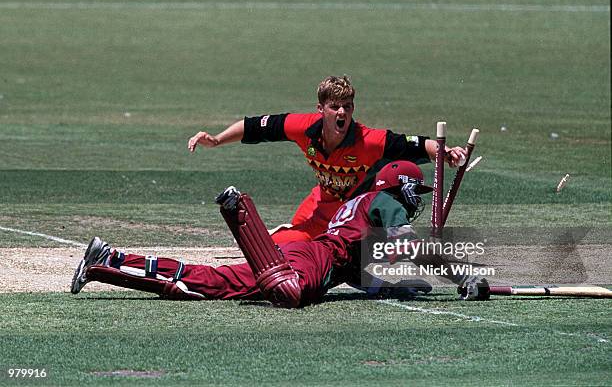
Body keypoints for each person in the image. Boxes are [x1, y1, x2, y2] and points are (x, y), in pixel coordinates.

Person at [71, 161, 489, 307]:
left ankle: (106, 261)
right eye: (418, 191)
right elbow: (412, 245)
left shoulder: (364, 211)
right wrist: (462, 274)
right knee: (289, 293)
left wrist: (392, 288)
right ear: (401, 186)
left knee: (208, 285)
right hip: (307, 260)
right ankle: (239, 212)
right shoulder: (384, 202)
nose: (418, 200)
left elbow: (355, 271)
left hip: (308, 258)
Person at [187, 76, 468, 243]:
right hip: (319, 207)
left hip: (355, 214)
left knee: (352, 257)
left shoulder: (368, 139)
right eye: (335, 107)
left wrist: (446, 153)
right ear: (321, 109)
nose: (342, 113)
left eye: (347, 107)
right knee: (280, 249)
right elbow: (254, 127)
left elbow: (415, 144)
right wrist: (216, 140)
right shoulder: (302, 127)